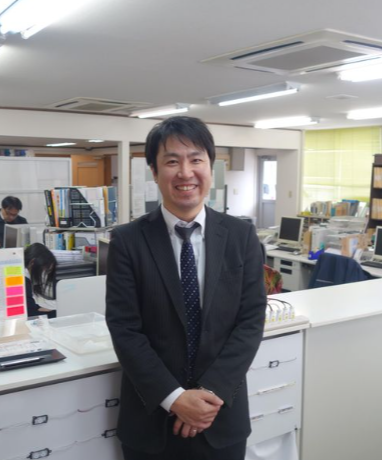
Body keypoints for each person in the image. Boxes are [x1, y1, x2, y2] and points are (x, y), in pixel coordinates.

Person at [106, 116, 266, 460]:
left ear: (211, 166)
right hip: (151, 420)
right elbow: (124, 328)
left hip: (220, 416)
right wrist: (175, 398)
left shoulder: (241, 236)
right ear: (154, 171)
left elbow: (251, 320)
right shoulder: (127, 241)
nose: (185, 172)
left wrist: (210, 395)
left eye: (196, 159)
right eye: (171, 161)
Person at [24, 243, 57, 319]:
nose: (44, 274)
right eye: (45, 270)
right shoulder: (24, 281)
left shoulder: (24, 275)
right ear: (32, 263)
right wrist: (56, 313)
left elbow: (29, 305)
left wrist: (37, 308)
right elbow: (30, 314)